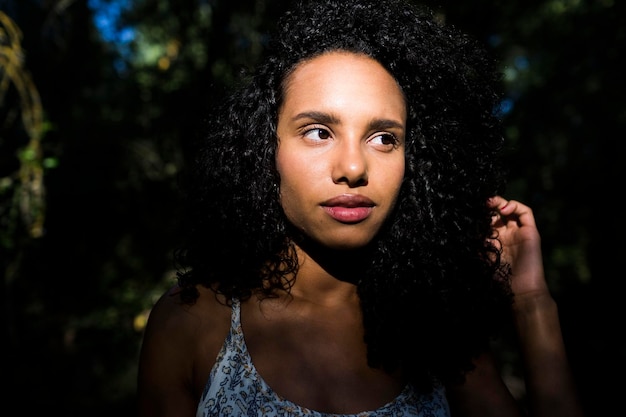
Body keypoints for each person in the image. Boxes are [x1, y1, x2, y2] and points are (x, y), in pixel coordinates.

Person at [137, 0, 584, 416]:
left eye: (384, 138)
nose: (353, 167)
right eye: (318, 131)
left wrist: (531, 304)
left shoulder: (436, 335)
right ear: (263, 148)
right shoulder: (193, 322)